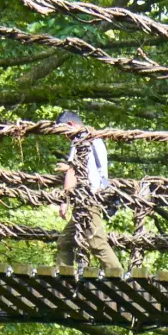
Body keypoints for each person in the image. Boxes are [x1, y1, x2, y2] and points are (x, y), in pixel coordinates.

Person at [53, 111, 122, 275]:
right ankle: (65, 277)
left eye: (63, 132)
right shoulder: (96, 139)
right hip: (94, 196)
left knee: (98, 244)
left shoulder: (80, 140)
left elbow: (74, 174)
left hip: (87, 199)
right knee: (65, 242)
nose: (64, 137)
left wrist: (64, 201)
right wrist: (69, 167)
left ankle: (119, 277)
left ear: (70, 125)